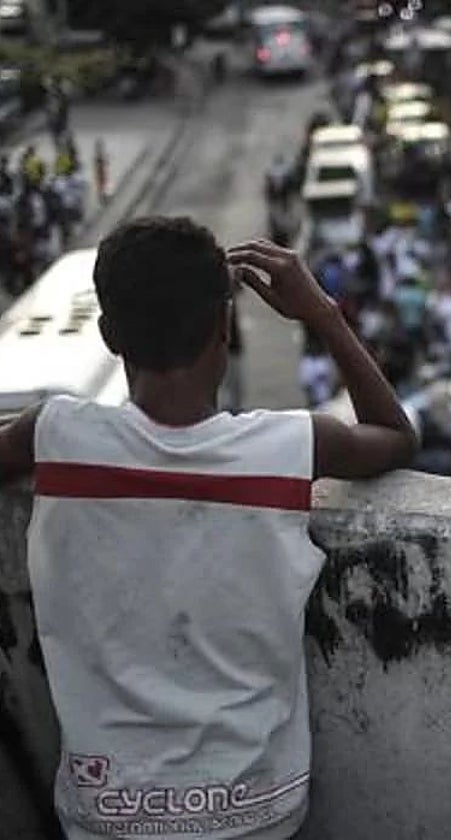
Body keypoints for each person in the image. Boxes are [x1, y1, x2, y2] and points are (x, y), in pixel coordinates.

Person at [0, 219, 418, 839]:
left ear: (110, 334)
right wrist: (323, 314)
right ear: (225, 329)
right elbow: (397, 437)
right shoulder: (290, 444)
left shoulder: (55, 434)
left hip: (106, 816)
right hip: (260, 811)